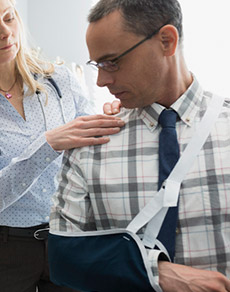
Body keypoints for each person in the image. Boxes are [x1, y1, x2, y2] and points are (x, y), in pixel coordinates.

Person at [0, 0, 124, 291]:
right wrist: (47, 145)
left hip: (69, 236)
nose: (6, 32)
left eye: (9, 18)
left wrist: (114, 118)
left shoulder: (60, 80)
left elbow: (93, 148)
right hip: (6, 250)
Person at [48, 0, 230, 291]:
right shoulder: (91, 145)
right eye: (97, 65)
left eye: (112, 62)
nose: (101, 80)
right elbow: (62, 260)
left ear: (167, 41)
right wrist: (160, 275)